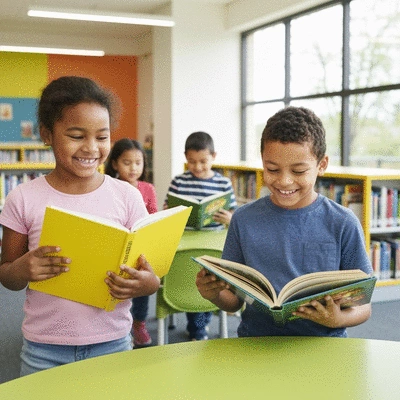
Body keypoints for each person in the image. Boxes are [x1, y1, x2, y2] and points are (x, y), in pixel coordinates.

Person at [0, 76, 160, 376]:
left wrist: (146, 284)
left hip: (112, 344)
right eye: (76, 135)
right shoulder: (23, 198)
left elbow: (151, 276)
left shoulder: (126, 196)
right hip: (43, 350)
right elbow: (7, 274)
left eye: (102, 137)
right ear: (47, 134)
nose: (91, 148)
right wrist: (22, 268)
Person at [196, 106, 373, 338]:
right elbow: (234, 302)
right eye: (272, 169)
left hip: (323, 347)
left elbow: (364, 306)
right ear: (262, 162)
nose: (284, 181)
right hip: (257, 342)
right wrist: (214, 294)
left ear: (321, 165)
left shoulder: (342, 222)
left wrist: (338, 319)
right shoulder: (243, 219)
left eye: (299, 171)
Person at [165, 131, 237, 341]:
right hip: (185, 241)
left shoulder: (223, 183)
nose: (197, 167)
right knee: (191, 278)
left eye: (203, 162)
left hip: (212, 241)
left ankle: (199, 324)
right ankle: (198, 327)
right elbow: (167, 209)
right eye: (191, 162)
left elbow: (233, 213)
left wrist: (229, 217)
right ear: (185, 158)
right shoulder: (178, 181)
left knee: (210, 282)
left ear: (214, 156)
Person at [105, 138, 157, 347]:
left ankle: (139, 322)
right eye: (127, 162)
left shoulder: (147, 188)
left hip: (140, 247)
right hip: (115, 246)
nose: (134, 168)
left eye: (138, 162)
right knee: (116, 283)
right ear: (115, 163)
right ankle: (114, 322)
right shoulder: (109, 187)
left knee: (141, 282)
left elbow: (153, 216)